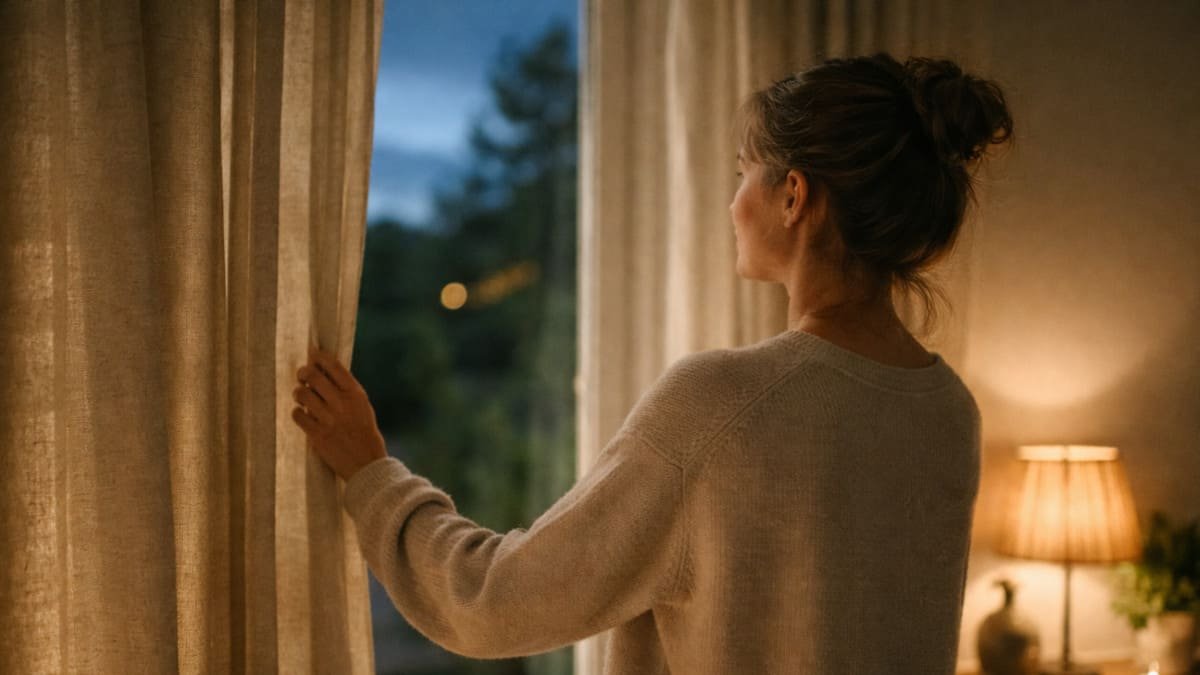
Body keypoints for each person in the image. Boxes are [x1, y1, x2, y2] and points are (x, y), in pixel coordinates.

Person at [290, 51, 1013, 674]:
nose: (732, 202)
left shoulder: (722, 404)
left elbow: (494, 601)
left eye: (743, 172)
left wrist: (371, 473)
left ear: (793, 195)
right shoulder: (949, 411)